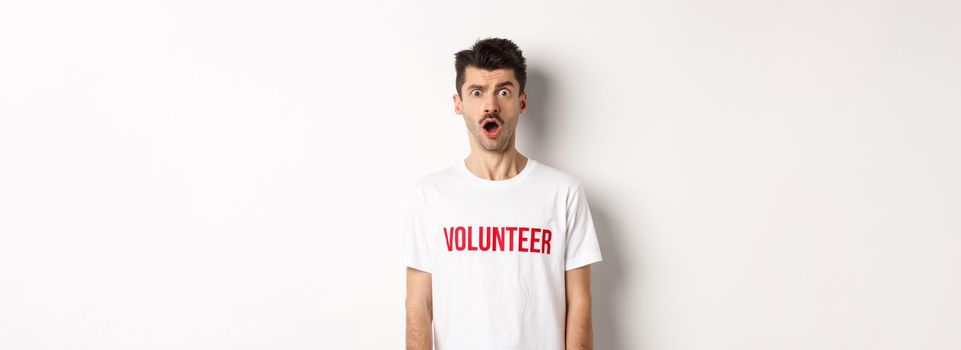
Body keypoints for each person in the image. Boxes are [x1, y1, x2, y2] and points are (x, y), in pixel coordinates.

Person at [403, 37, 603, 350]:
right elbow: (417, 304)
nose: (491, 105)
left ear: (522, 102)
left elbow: (579, 301)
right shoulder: (430, 194)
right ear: (459, 104)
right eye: (477, 92)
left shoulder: (563, 192)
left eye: (504, 91)